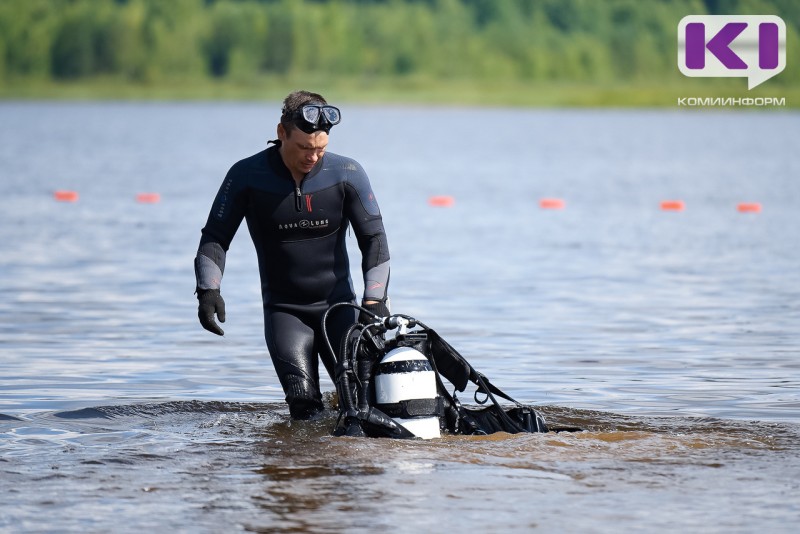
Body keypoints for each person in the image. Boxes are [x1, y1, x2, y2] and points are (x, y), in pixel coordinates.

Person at [194, 90, 391, 419]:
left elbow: (375, 240)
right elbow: (215, 237)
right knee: (303, 408)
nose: (313, 157)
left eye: (320, 149)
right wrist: (208, 290)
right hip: (285, 313)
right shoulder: (247, 176)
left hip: (340, 309)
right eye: (303, 148)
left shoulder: (347, 174)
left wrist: (374, 301)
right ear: (281, 132)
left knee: (361, 404)